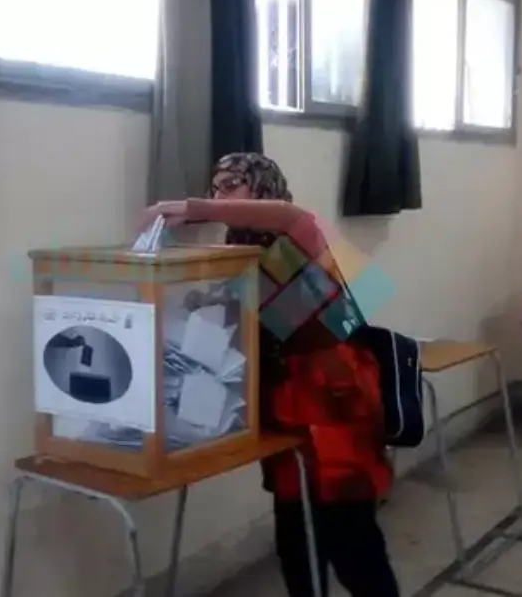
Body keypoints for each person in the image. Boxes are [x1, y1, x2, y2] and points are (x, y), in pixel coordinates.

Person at [143, 152, 399, 597]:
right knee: (295, 536)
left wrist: (193, 208)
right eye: (214, 187)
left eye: (230, 185)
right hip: (284, 404)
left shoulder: (297, 233)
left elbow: (287, 215)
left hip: (336, 400)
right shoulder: (239, 253)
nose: (219, 195)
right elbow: (234, 323)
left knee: (351, 538)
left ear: (261, 187)